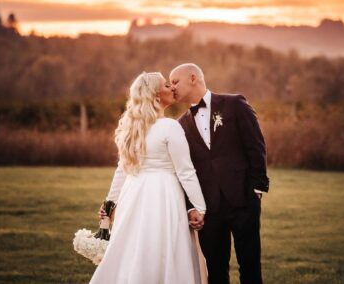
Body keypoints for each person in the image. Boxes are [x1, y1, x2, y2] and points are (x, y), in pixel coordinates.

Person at [90, 72, 207, 284]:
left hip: (133, 194)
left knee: (133, 247)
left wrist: (110, 203)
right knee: (162, 246)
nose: (172, 88)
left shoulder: (131, 128)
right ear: (155, 96)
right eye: (166, 85)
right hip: (164, 195)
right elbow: (185, 171)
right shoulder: (170, 127)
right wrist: (200, 206)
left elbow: (121, 169)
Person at [170, 63, 270, 284]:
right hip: (209, 208)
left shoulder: (234, 104)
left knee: (250, 266)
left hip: (244, 199)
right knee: (215, 271)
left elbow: (256, 146)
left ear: (193, 78)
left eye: (175, 81)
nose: (172, 87)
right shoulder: (180, 125)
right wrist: (193, 206)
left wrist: (257, 188)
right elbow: (184, 170)